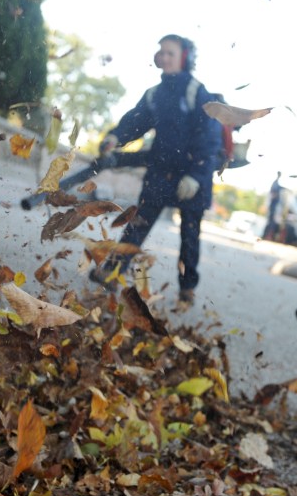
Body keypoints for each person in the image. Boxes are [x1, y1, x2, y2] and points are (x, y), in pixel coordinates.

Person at [89, 34, 222, 307]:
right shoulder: (155, 95)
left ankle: (187, 290)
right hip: (161, 171)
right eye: (161, 52)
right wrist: (115, 137)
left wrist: (196, 176)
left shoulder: (196, 92)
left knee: (189, 236)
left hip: (192, 176)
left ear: (184, 57)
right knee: (138, 223)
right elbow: (135, 122)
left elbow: (209, 137)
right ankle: (112, 272)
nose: (163, 57)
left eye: (170, 52)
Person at [263, 172, 283, 240]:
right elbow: (273, 193)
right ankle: (268, 236)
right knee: (271, 222)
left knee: (271, 221)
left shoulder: (276, 183)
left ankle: (267, 235)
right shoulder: (275, 183)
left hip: (274, 206)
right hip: (273, 206)